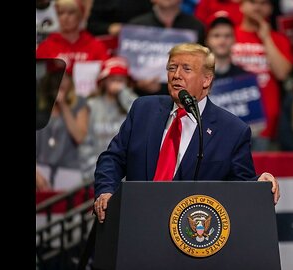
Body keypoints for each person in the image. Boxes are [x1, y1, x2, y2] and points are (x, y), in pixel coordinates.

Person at [94, 43, 280, 223]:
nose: (176, 75)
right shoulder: (143, 109)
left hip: (189, 234)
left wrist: (259, 183)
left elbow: (240, 186)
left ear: (206, 80)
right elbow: (113, 158)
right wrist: (106, 190)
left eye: (186, 69)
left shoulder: (232, 130)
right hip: (136, 221)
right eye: (172, 68)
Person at [231, 0, 293, 151]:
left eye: (264, 3)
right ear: (241, 5)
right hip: (231, 123)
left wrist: (266, 38)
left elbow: (282, 73)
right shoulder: (228, 35)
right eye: (253, 2)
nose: (258, 7)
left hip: (265, 125)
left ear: (271, 9)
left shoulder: (279, 39)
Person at [79, 57, 138, 181]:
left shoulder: (133, 103)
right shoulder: (92, 105)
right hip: (94, 174)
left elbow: (140, 118)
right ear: (103, 81)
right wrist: (93, 172)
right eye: (113, 79)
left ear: (127, 82)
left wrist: (123, 93)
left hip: (126, 177)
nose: (117, 83)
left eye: (121, 80)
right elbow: (85, 142)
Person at [36, 71, 89, 190]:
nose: (59, 81)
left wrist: (63, 105)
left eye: (64, 77)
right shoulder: (39, 105)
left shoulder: (79, 103)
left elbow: (79, 136)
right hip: (40, 169)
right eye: (55, 77)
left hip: (69, 169)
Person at [36, 0, 110, 73]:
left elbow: (105, 74)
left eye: (71, 13)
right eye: (60, 13)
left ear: (80, 15)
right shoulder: (46, 46)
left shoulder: (96, 46)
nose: (65, 17)